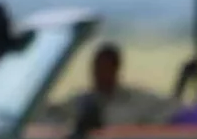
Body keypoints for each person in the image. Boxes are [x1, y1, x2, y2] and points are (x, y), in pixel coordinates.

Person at [44, 42, 175, 129]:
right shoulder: (82, 102)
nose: (99, 74)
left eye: (104, 68)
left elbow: (170, 110)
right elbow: (53, 115)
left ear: (116, 69)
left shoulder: (136, 101)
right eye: (97, 68)